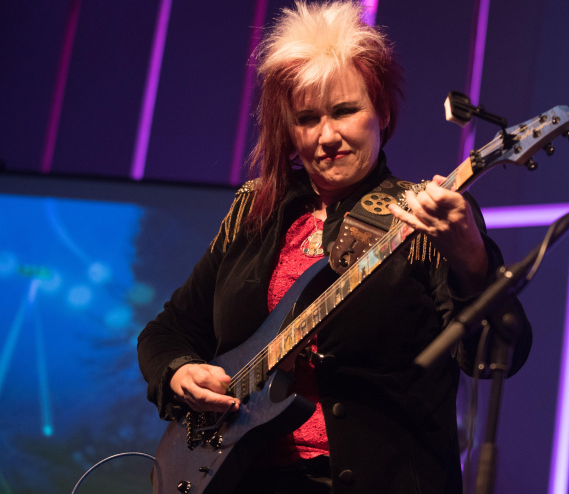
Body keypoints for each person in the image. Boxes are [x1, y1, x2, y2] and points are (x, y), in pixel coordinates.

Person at [137, 1, 532, 493]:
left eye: (346, 111)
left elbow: (493, 356)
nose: (327, 137)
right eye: (307, 119)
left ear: (382, 112)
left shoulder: (423, 216)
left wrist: (471, 260)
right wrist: (178, 373)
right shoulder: (255, 210)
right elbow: (167, 330)